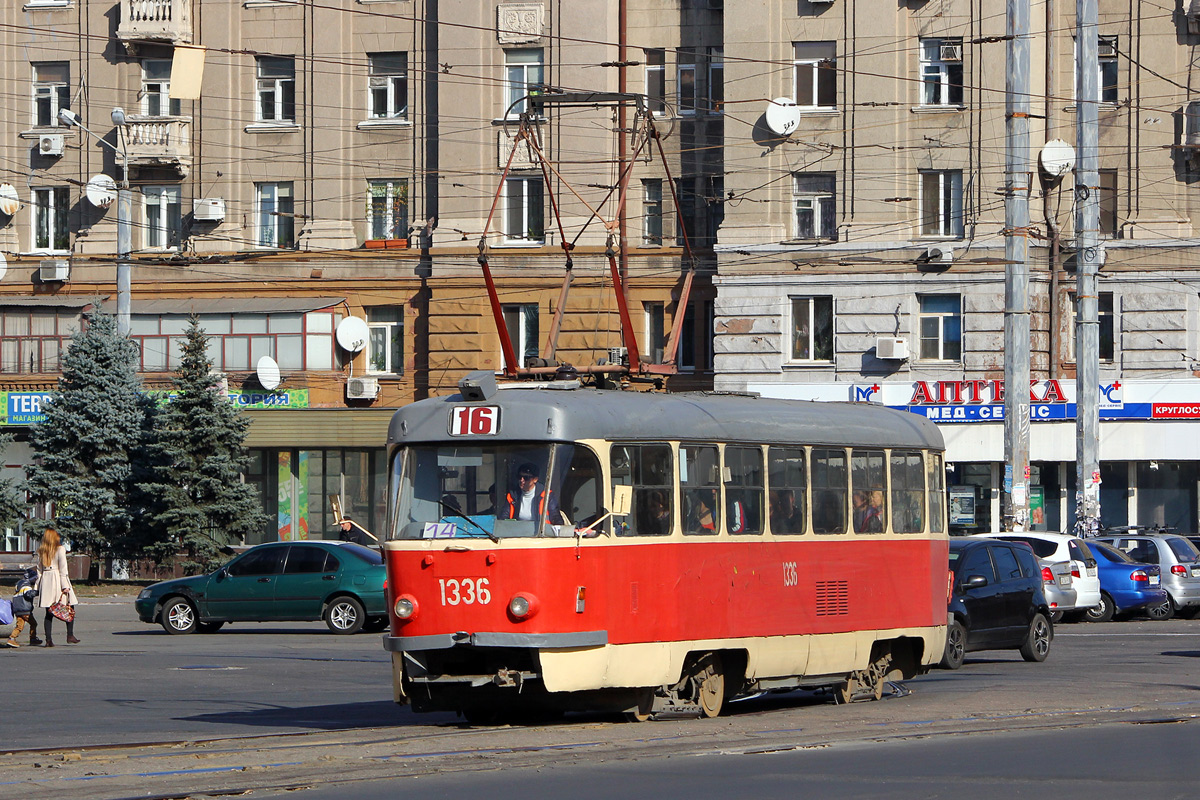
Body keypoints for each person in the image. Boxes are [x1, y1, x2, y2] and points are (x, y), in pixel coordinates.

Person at [35, 528, 78, 647]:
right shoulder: (60, 549)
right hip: (57, 580)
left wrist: (38, 586)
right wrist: (65, 586)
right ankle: (70, 634)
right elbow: (63, 568)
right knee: (69, 606)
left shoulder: (41, 551)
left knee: (49, 612)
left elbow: (39, 570)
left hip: (46, 580)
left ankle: (49, 640)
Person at [4, 566, 41, 648]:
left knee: (19, 625)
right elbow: (28, 594)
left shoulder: (18, 589)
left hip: (18, 611)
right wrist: (37, 592)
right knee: (33, 624)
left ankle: (12, 639)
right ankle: (32, 638)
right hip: (25, 610)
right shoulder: (26, 587)